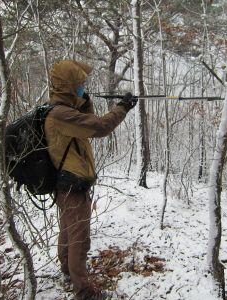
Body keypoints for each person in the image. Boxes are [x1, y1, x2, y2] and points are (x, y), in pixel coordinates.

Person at [44, 60, 137, 299]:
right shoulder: (62, 114)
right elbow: (100, 127)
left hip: (68, 183)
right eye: (80, 84)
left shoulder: (63, 109)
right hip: (73, 184)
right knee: (79, 239)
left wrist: (84, 101)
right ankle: (83, 291)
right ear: (69, 85)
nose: (83, 87)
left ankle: (67, 271)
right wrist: (123, 107)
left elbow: (88, 123)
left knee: (68, 231)